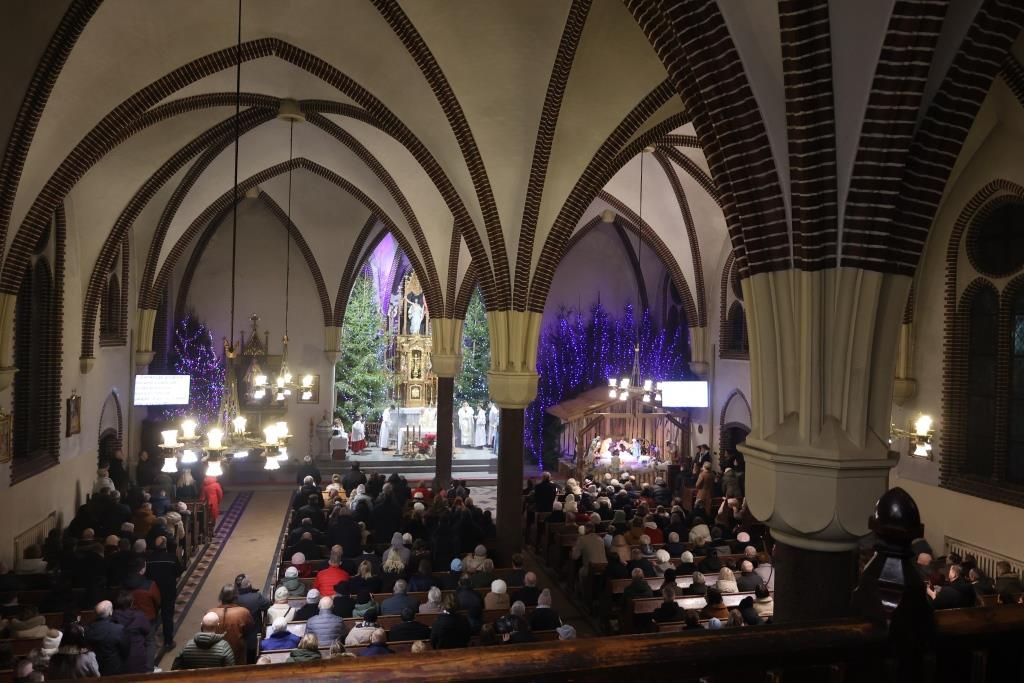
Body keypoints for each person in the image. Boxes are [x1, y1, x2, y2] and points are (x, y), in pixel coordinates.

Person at [212, 584, 255, 665]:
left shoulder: (211, 613)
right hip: (237, 654)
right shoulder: (243, 612)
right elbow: (250, 630)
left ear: (221, 597)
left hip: (215, 654)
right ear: (236, 597)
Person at [111, 590, 152, 674]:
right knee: (150, 640)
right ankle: (150, 668)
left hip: (119, 659)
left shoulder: (112, 618)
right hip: (138, 655)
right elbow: (147, 630)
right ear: (131, 603)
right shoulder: (139, 616)